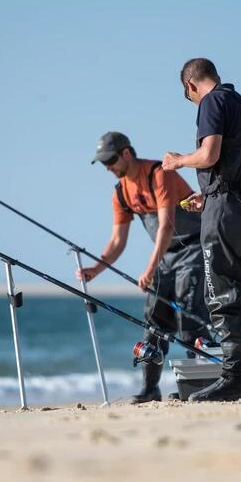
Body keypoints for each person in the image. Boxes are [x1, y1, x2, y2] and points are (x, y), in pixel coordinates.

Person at [162, 58, 241, 403]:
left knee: (222, 293)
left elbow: (209, 155)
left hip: (228, 210)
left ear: (190, 85)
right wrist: (208, 194)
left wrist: (178, 161)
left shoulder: (212, 102)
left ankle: (234, 379)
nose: (192, 101)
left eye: (188, 96)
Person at [78, 131, 209, 403]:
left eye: (110, 160)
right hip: (165, 257)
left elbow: (165, 226)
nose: (108, 167)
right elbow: (117, 241)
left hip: (193, 249)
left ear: (126, 153)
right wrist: (95, 270)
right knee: (153, 323)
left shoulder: (160, 174)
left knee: (189, 318)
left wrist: (149, 270)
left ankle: (200, 384)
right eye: (103, 163)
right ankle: (150, 389)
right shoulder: (121, 193)